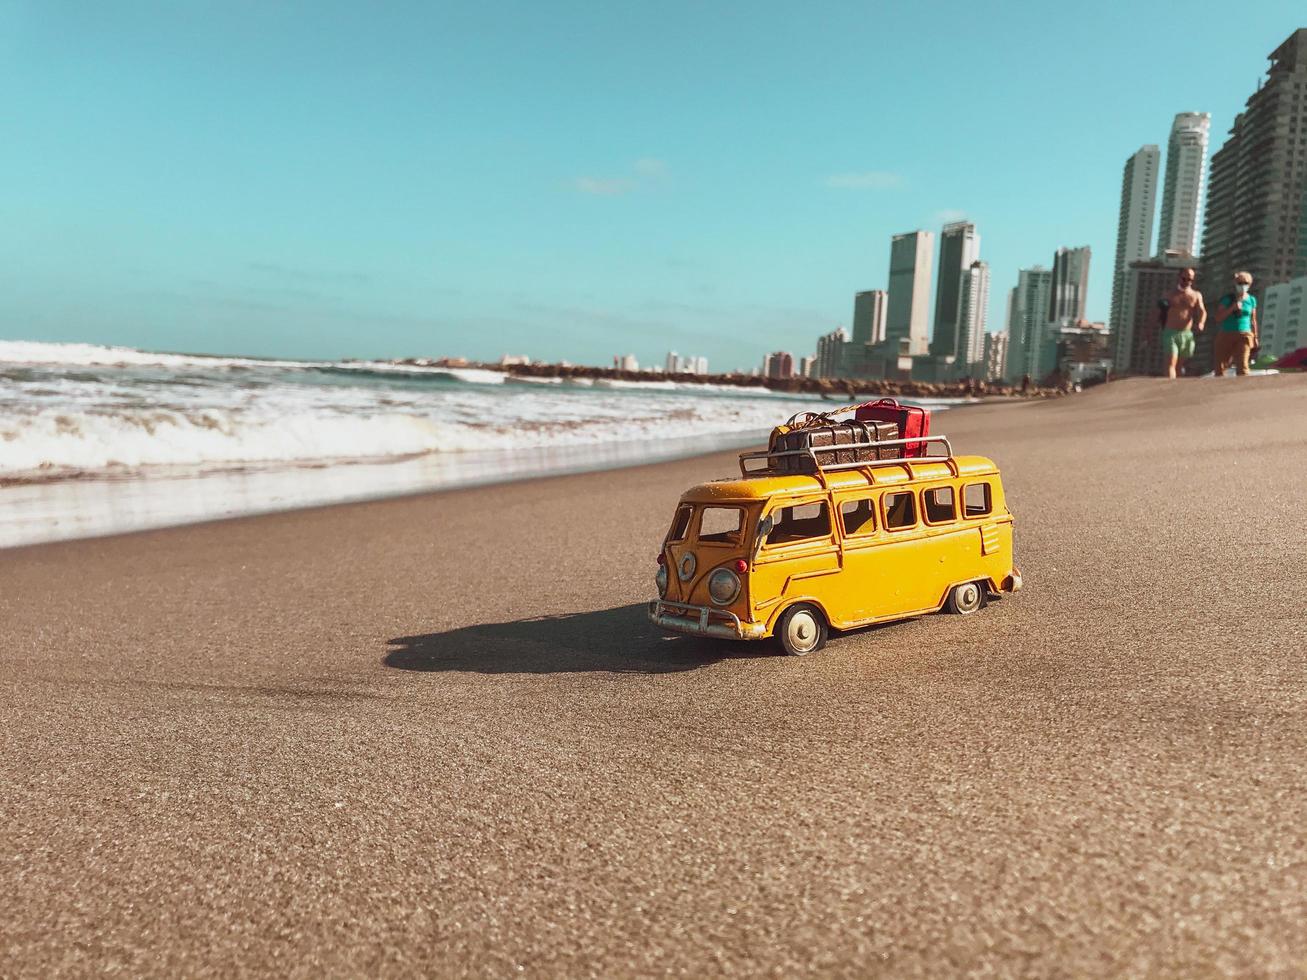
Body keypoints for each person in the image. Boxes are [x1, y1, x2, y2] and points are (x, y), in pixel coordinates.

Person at [1157, 268, 1206, 378]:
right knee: (1171, 363)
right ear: (1179, 278)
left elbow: (1202, 311)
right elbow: (1157, 312)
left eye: (1190, 280)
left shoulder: (1196, 295)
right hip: (1171, 332)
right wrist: (1148, 331)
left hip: (1187, 334)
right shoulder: (1168, 295)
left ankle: (1176, 389)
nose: (1187, 282)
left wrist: (1201, 323)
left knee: (1180, 365)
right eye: (1184, 279)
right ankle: (1169, 385)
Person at [1211, 271, 1259, 376]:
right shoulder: (1228, 299)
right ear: (1235, 284)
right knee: (1221, 366)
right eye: (1239, 283)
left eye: (1245, 283)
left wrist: (1255, 338)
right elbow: (1218, 317)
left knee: (1243, 366)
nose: (1242, 286)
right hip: (1226, 334)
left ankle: (1242, 389)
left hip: (1244, 335)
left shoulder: (1251, 300)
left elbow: (1253, 320)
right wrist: (1232, 308)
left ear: (1249, 285)